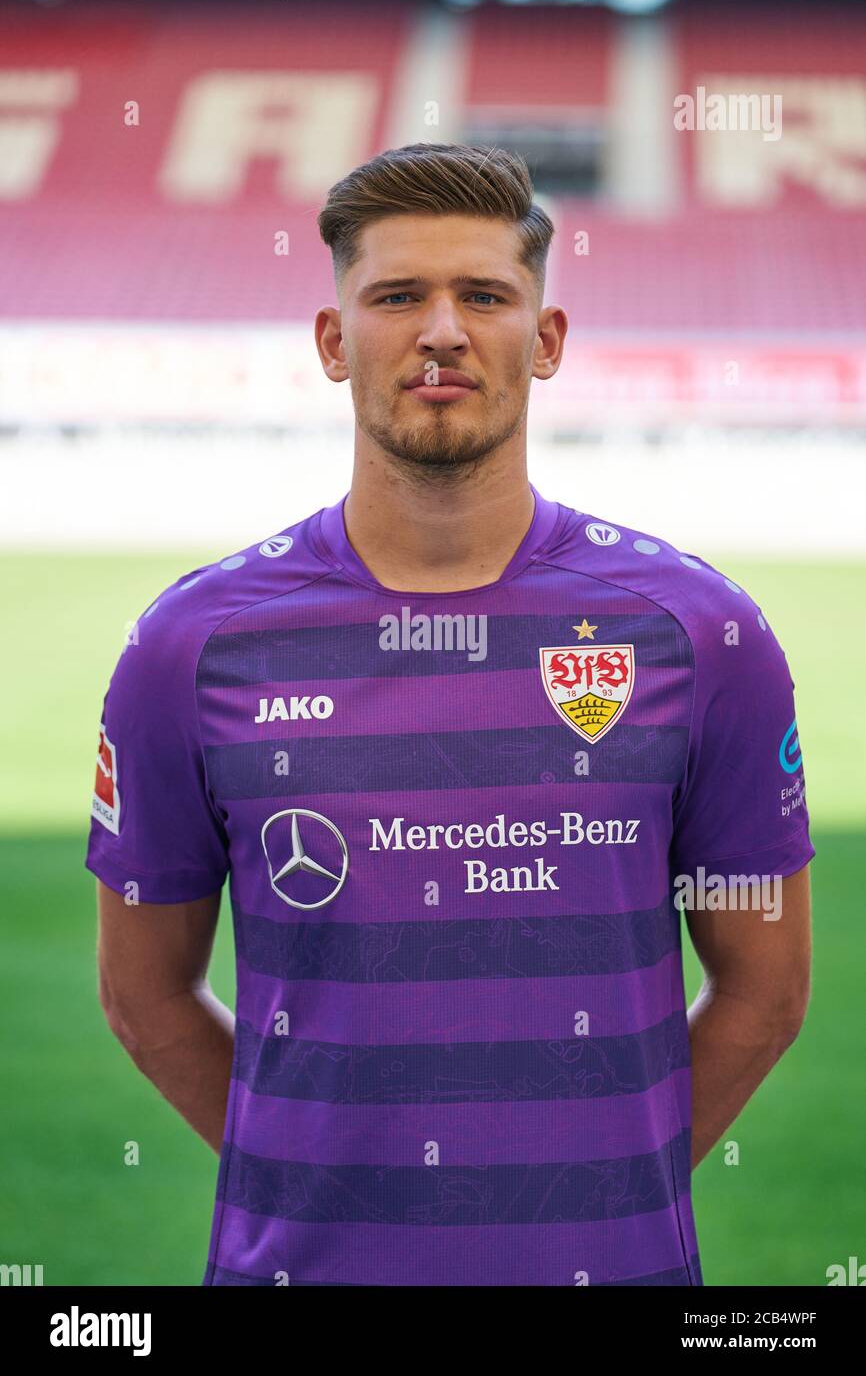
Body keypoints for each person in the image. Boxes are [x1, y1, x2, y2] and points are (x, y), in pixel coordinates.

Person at [87, 142, 814, 1286]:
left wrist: (598, 1191)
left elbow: (764, 989)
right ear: (335, 343)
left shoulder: (699, 633)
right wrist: (327, 1180)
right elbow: (144, 993)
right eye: (394, 297)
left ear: (548, 338)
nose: (440, 331)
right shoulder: (189, 647)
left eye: (482, 295)